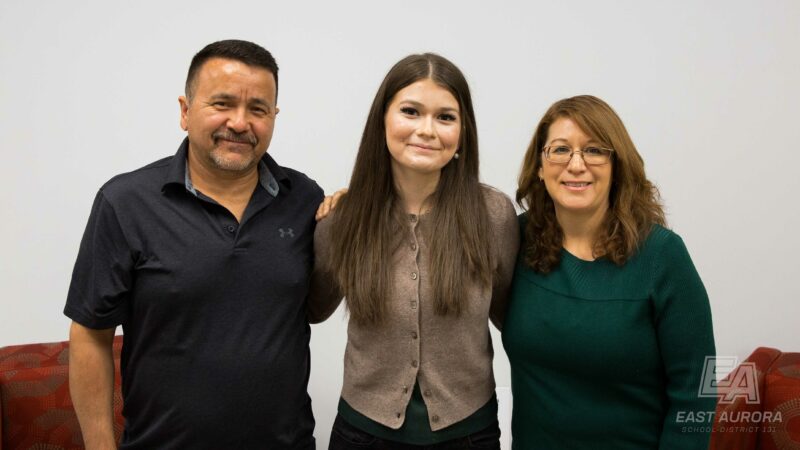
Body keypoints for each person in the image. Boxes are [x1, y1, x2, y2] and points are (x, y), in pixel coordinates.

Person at [64, 40, 321, 449]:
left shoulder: (304, 198)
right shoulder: (126, 202)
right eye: (222, 104)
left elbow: (317, 306)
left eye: (258, 109)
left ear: (274, 117)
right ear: (185, 111)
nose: (239, 123)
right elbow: (91, 334)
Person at [308, 53, 519, 449]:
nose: (427, 130)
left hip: (469, 433)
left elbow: (517, 320)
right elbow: (314, 309)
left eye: (445, 117)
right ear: (382, 121)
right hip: (362, 434)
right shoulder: (343, 218)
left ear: (463, 131)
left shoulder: (494, 216)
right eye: (410, 111)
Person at [502, 95, 716, 449]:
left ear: (617, 165)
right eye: (559, 150)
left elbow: (699, 388)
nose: (576, 164)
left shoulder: (662, 255)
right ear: (540, 166)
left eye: (594, 150)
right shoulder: (513, 240)